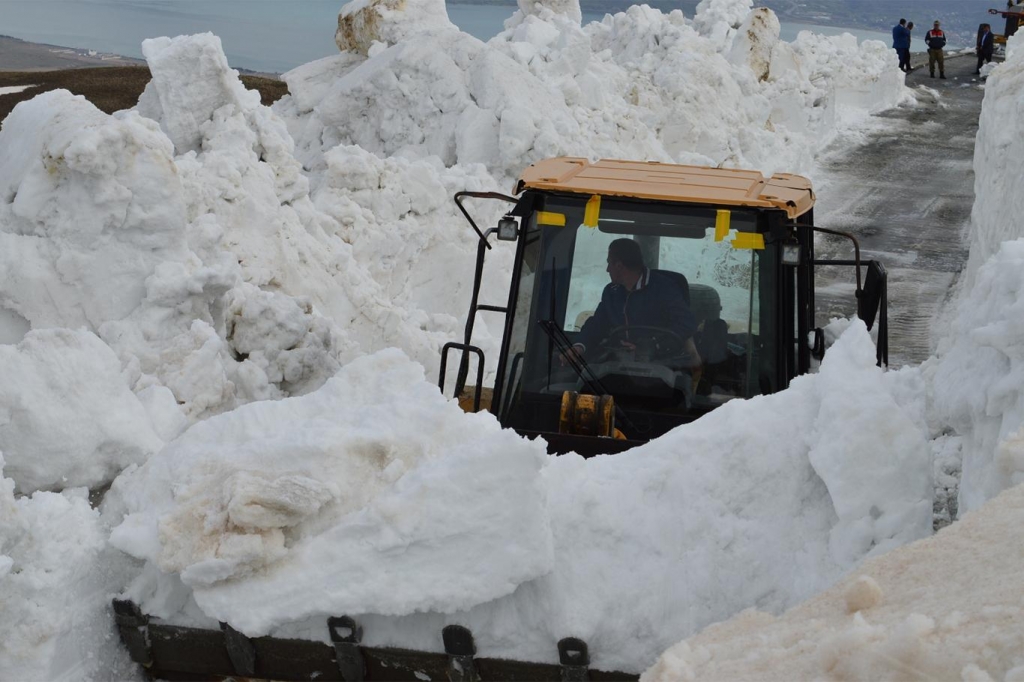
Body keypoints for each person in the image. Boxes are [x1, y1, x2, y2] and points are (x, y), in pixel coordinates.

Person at [570, 238, 698, 366]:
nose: (607, 269)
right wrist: (579, 346)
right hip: (618, 363)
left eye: (609, 263)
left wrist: (654, 344)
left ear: (619, 266)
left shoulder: (664, 288)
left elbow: (686, 323)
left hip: (660, 364)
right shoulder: (611, 292)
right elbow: (597, 324)